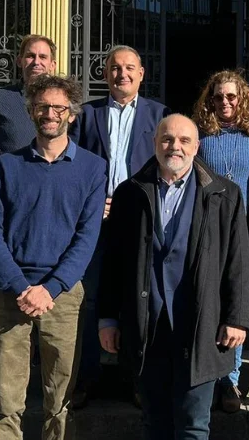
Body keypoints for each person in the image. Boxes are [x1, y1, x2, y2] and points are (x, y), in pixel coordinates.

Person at [98, 115, 249, 440]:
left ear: (197, 147)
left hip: (201, 327)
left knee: (194, 426)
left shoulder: (225, 195)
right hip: (147, 328)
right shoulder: (130, 193)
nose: (175, 147)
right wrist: (108, 317)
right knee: (155, 424)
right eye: (167, 139)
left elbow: (238, 260)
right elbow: (112, 260)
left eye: (184, 140)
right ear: (155, 144)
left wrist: (237, 317)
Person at [0, 74, 107, 440]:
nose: (49, 113)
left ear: (72, 113)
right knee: (6, 396)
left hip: (63, 296)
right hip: (11, 292)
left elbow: (87, 238)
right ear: (31, 111)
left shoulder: (92, 168)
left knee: (61, 398)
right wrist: (21, 286)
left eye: (58, 107)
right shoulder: (8, 165)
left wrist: (50, 289)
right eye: (42, 106)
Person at [70, 45, 170, 407]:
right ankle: (87, 377)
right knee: (92, 297)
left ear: (141, 73)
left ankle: (137, 379)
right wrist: (94, 204)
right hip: (94, 223)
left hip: (140, 222)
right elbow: (74, 166)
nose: (122, 74)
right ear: (105, 73)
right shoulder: (86, 114)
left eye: (129, 68)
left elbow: (168, 170)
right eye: (115, 68)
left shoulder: (160, 115)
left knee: (138, 297)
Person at [192, 69, 249, 413]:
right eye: (218, 96)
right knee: (209, 294)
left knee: (238, 297)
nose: (225, 102)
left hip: (246, 226)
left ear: (243, 99)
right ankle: (207, 369)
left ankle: (231, 379)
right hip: (208, 224)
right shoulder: (200, 135)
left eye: (231, 96)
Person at [0, 34, 57, 153]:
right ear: (19, 61)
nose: (36, 62)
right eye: (30, 56)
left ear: (53, 65)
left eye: (42, 57)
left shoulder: (64, 103)